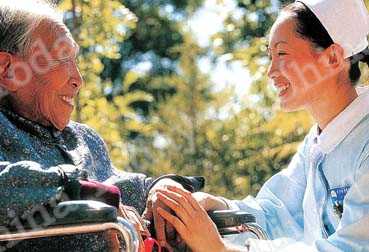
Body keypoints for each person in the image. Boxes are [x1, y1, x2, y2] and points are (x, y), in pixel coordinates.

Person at [155, 0, 369, 251]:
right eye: (270, 56)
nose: (270, 71)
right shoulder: (316, 143)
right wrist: (214, 204)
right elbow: (277, 213)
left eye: (281, 54)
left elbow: (351, 247)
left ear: (332, 58)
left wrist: (221, 249)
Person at [0, 1, 203, 251]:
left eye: (75, 60)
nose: (78, 79)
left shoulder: (84, 139)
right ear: (8, 70)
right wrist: (86, 191)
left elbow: (123, 186)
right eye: (62, 58)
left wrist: (162, 188)